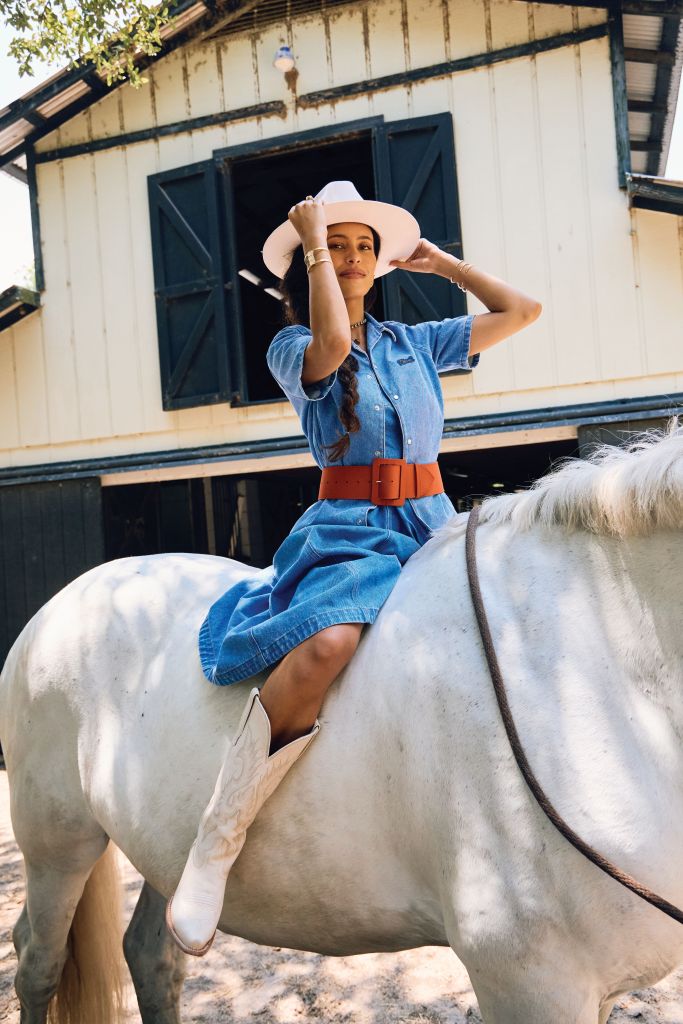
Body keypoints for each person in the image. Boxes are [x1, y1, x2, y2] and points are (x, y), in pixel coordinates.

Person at [166, 180, 542, 956]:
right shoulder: (289, 347)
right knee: (329, 645)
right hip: (353, 529)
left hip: (433, 521)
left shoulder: (415, 343)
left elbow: (522, 313)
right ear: (305, 263)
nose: (352, 258)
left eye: (363, 247)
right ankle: (219, 835)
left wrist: (444, 267)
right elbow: (331, 347)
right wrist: (310, 249)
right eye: (336, 246)